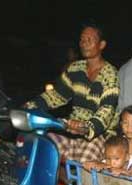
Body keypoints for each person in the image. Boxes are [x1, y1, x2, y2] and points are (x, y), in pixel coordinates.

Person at [25, 23, 119, 164]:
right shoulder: (75, 68)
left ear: (101, 45)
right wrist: (30, 105)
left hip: (99, 134)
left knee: (84, 168)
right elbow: (56, 96)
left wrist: (88, 127)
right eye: (82, 40)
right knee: (41, 148)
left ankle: (72, 182)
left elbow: (107, 110)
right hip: (71, 129)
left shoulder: (110, 73)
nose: (84, 44)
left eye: (90, 40)